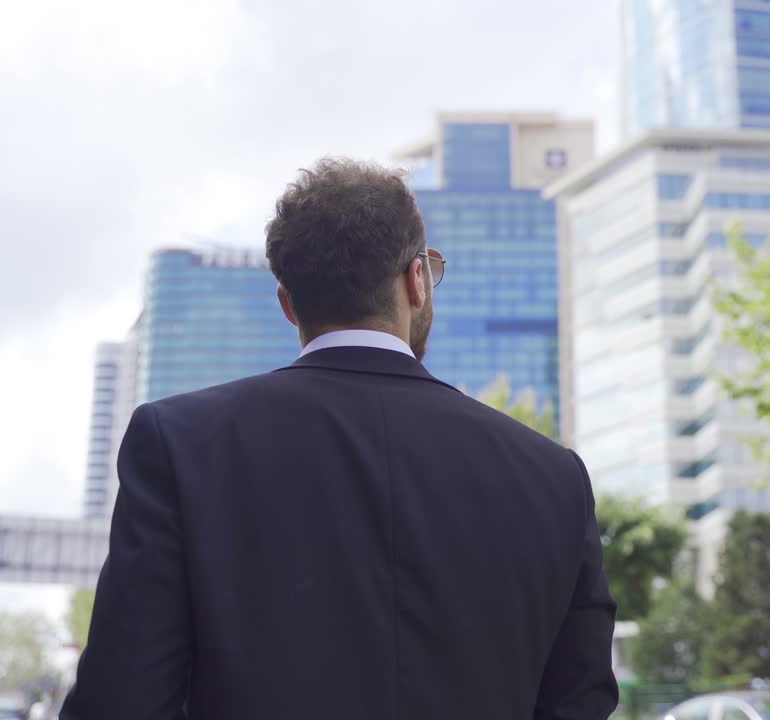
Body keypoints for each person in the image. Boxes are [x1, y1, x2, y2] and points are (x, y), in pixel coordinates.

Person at [61, 158, 618, 719]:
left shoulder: (179, 445)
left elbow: (121, 699)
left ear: (287, 303)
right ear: (416, 281)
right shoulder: (553, 477)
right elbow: (581, 702)